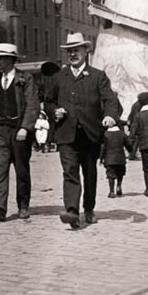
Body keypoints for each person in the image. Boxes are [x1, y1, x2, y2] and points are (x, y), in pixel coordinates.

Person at [43, 33, 121, 229]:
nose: (72, 54)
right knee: (70, 171)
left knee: (90, 173)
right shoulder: (58, 77)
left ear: (86, 51)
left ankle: (88, 209)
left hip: (90, 134)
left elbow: (111, 100)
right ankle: (71, 212)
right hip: (65, 133)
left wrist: (110, 116)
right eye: (69, 51)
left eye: (76, 50)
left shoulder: (98, 76)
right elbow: (48, 101)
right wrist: (54, 111)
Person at [0, 44, 39, 221]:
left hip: (18, 129)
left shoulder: (25, 78)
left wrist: (25, 127)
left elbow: (32, 105)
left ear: (11, 60)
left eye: (2, 58)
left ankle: (23, 205)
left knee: (21, 169)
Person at [100, 120, 131, 198]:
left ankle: (111, 191)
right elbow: (128, 144)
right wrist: (131, 151)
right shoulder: (122, 134)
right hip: (120, 158)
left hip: (109, 158)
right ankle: (119, 186)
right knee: (120, 173)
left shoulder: (106, 134)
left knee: (111, 175)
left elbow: (103, 148)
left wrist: (101, 158)